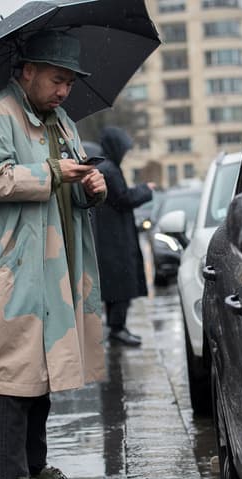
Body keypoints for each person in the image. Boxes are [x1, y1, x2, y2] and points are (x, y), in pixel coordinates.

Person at [0, 30, 107, 479]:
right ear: (27, 72)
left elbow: (72, 177)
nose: (64, 92)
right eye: (57, 80)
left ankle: (36, 469)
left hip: (54, 268)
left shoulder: (60, 121)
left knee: (41, 372)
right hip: (11, 269)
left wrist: (91, 188)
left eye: (69, 83)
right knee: (12, 375)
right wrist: (52, 173)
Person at [93, 126, 156, 347]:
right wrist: (145, 189)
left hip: (111, 238)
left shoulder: (105, 167)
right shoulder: (109, 170)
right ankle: (118, 329)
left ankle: (117, 328)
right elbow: (124, 198)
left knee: (115, 285)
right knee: (120, 284)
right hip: (115, 240)